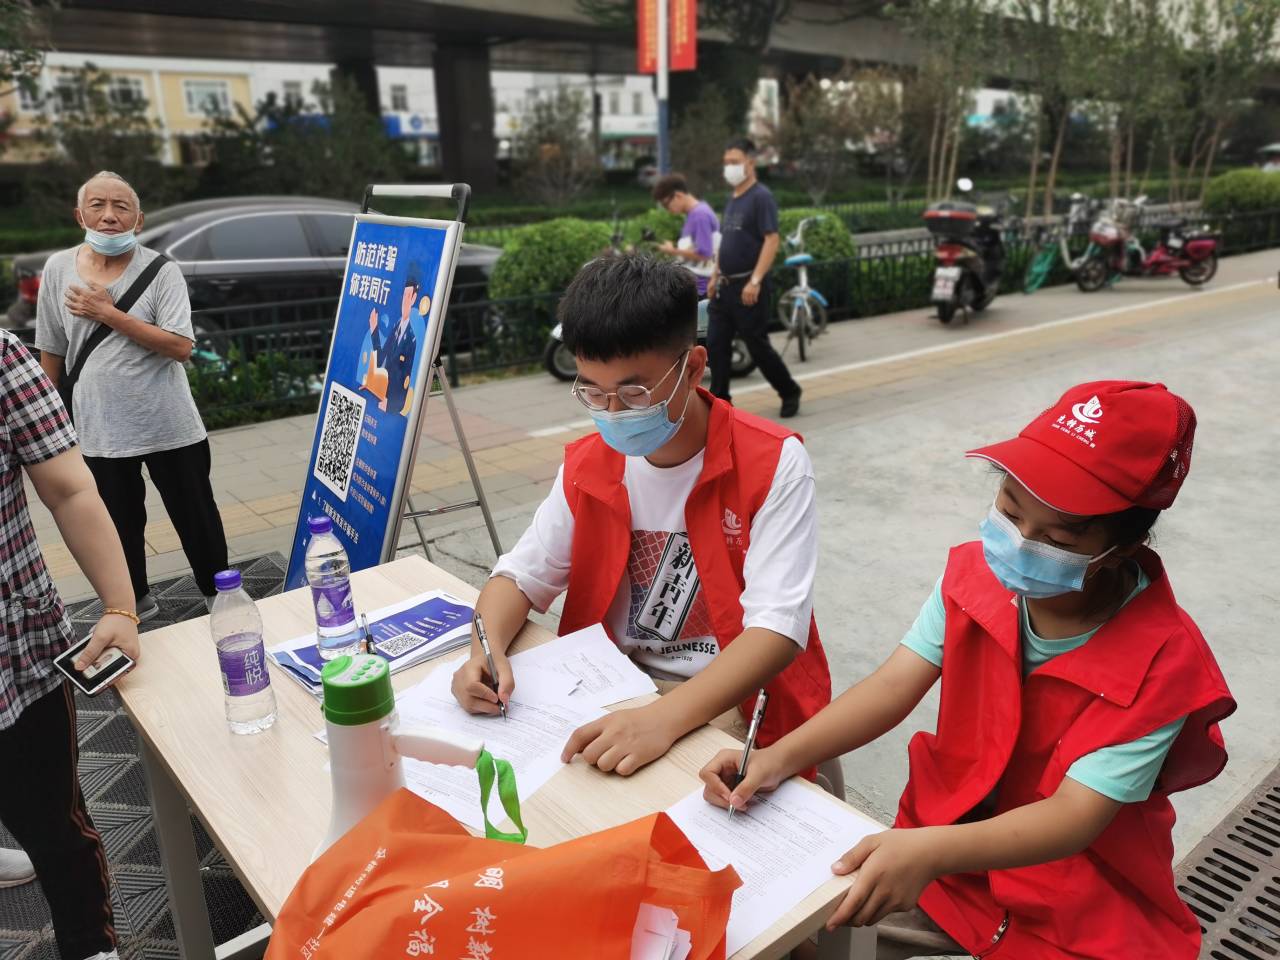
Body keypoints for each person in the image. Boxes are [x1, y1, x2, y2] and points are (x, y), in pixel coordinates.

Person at [700, 380, 1235, 959]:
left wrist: (930, 852)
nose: (1020, 543)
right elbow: (892, 686)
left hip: (1076, 903)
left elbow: (1075, 816)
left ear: (1123, 547)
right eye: (1009, 510)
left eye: (1056, 536)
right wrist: (777, 758)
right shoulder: (972, 577)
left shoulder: (1164, 664)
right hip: (941, 856)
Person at [451, 254, 831, 776]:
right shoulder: (589, 465)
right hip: (612, 685)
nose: (612, 411)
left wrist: (661, 719)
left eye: (634, 393)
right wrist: (484, 651)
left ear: (692, 368)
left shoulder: (772, 463)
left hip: (731, 698)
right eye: (592, 391)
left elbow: (776, 631)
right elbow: (520, 576)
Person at [0, 328, 142, 960]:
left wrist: (120, 606)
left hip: (10, 655)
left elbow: (69, 487)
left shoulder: (2, 358)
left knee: (55, 828)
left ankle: (90, 948)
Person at [35, 170, 228, 622]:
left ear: (138, 220)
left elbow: (180, 346)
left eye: (121, 207)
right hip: (99, 429)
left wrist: (108, 313)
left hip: (170, 424)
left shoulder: (162, 271)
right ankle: (134, 603)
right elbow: (52, 350)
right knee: (117, 524)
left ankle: (221, 599)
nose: (109, 216)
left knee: (196, 517)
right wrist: (45, 427)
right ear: (80, 215)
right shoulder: (58, 269)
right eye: (98, 205)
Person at [707, 138, 801, 418]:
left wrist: (756, 281)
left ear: (750, 162)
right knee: (716, 345)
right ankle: (720, 402)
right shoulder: (732, 199)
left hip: (748, 286)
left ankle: (789, 391)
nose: (729, 167)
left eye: (734, 162)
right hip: (724, 287)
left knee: (757, 346)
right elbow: (725, 242)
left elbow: (772, 239)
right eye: (726, 163)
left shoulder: (761, 197)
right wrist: (714, 274)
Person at [652, 173, 719, 296]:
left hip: (702, 289)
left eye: (666, 204)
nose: (667, 209)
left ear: (678, 195)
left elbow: (705, 254)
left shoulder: (700, 215)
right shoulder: (693, 214)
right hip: (695, 286)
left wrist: (673, 251)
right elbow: (695, 248)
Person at [368, 271, 423, 416]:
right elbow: (380, 359)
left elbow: (405, 380)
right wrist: (374, 330)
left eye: (408, 296)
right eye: (403, 295)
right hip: (381, 396)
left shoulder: (411, 340)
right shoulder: (395, 329)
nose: (404, 300)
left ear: (414, 299)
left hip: (392, 405)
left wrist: (391, 405)